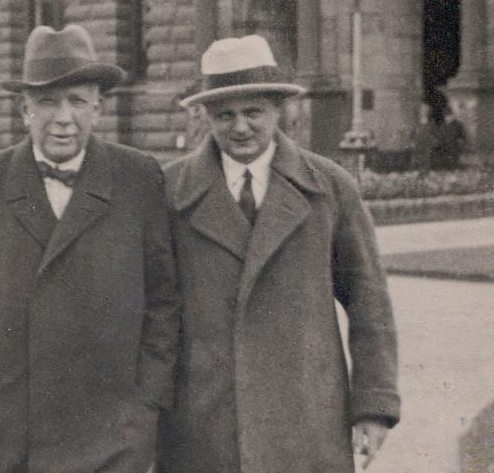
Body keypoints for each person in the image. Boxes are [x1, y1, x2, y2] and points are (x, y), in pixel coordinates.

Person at [0, 24, 180, 473]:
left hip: (114, 442)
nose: (63, 117)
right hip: (11, 445)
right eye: (47, 101)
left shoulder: (138, 179)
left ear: (98, 108)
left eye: (77, 101)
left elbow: (164, 302)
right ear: (24, 109)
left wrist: (145, 407)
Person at [158, 35, 400, 473]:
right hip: (203, 424)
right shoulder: (169, 193)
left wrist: (373, 406)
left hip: (306, 420)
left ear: (277, 109)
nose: (240, 127)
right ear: (206, 116)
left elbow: (370, 304)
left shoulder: (329, 187)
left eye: (253, 112)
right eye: (225, 115)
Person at [436, 103, 467, 170]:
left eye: (449, 115)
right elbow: (439, 136)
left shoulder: (458, 125)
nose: (447, 118)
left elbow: (463, 137)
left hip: (454, 147)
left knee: (453, 163)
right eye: (445, 116)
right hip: (443, 147)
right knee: (443, 162)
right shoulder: (442, 125)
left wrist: (460, 144)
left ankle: (453, 166)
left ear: (452, 115)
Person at [411, 102, 437, 174]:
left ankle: (426, 172)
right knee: (416, 159)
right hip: (418, 144)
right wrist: (412, 142)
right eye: (421, 110)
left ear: (428, 112)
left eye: (425, 110)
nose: (423, 112)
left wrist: (432, 142)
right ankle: (416, 171)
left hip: (427, 144)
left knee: (426, 159)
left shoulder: (432, 123)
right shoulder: (416, 123)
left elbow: (434, 134)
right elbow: (412, 134)